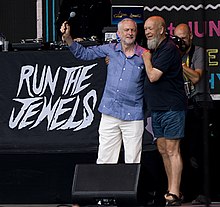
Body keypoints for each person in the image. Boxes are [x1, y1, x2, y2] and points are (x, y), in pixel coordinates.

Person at [60, 18, 147, 164]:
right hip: (110, 112)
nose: (130, 33)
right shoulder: (110, 49)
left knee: (133, 161)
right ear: (118, 33)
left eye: (133, 30)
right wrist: (68, 38)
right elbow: (84, 54)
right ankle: (106, 187)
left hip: (133, 114)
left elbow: (155, 76)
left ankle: (127, 187)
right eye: (126, 30)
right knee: (105, 159)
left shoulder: (144, 55)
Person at [142, 16, 187, 206]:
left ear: (162, 29)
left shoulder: (168, 48)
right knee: (162, 149)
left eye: (151, 29)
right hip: (157, 109)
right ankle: (172, 188)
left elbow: (153, 76)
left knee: (172, 149)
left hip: (172, 108)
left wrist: (146, 59)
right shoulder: (156, 49)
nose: (147, 32)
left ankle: (174, 193)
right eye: (145, 29)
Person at [174, 23, 212, 205]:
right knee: (183, 152)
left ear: (190, 37)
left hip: (200, 107)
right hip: (182, 108)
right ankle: (187, 192)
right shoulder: (173, 54)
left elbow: (196, 77)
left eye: (183, 38)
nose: (180, 42)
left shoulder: (198, 52)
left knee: (200, 152)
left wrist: (179, 64)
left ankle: (205, 192)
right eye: (176, 38)